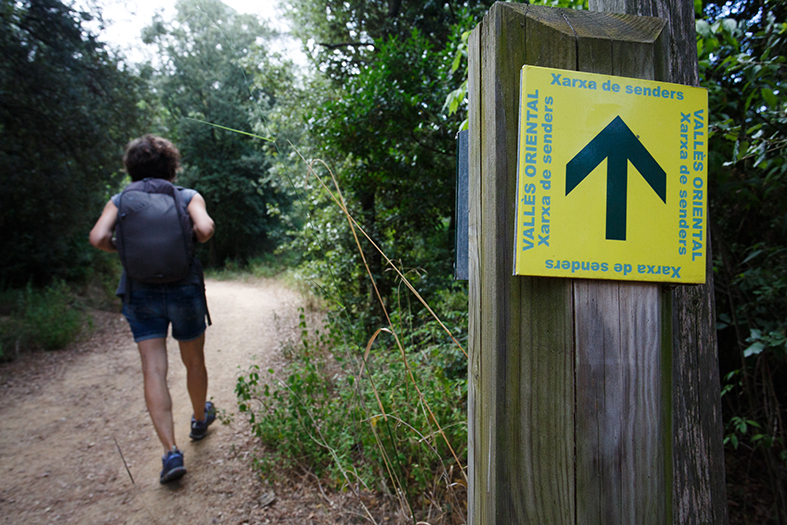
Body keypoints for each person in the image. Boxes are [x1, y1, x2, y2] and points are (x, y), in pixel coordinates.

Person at [89, 134, 216, 484]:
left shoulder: (120, 200)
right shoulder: (187, 196)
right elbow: (205, 229)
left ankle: (170, 452)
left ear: (131, 169)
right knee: (194, 360)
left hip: (140, 290)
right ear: (171, 166)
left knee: (153, 370)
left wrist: (125, 248)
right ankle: (199, 419)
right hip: (184, 287)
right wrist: (186, 239)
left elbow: (98, 238)